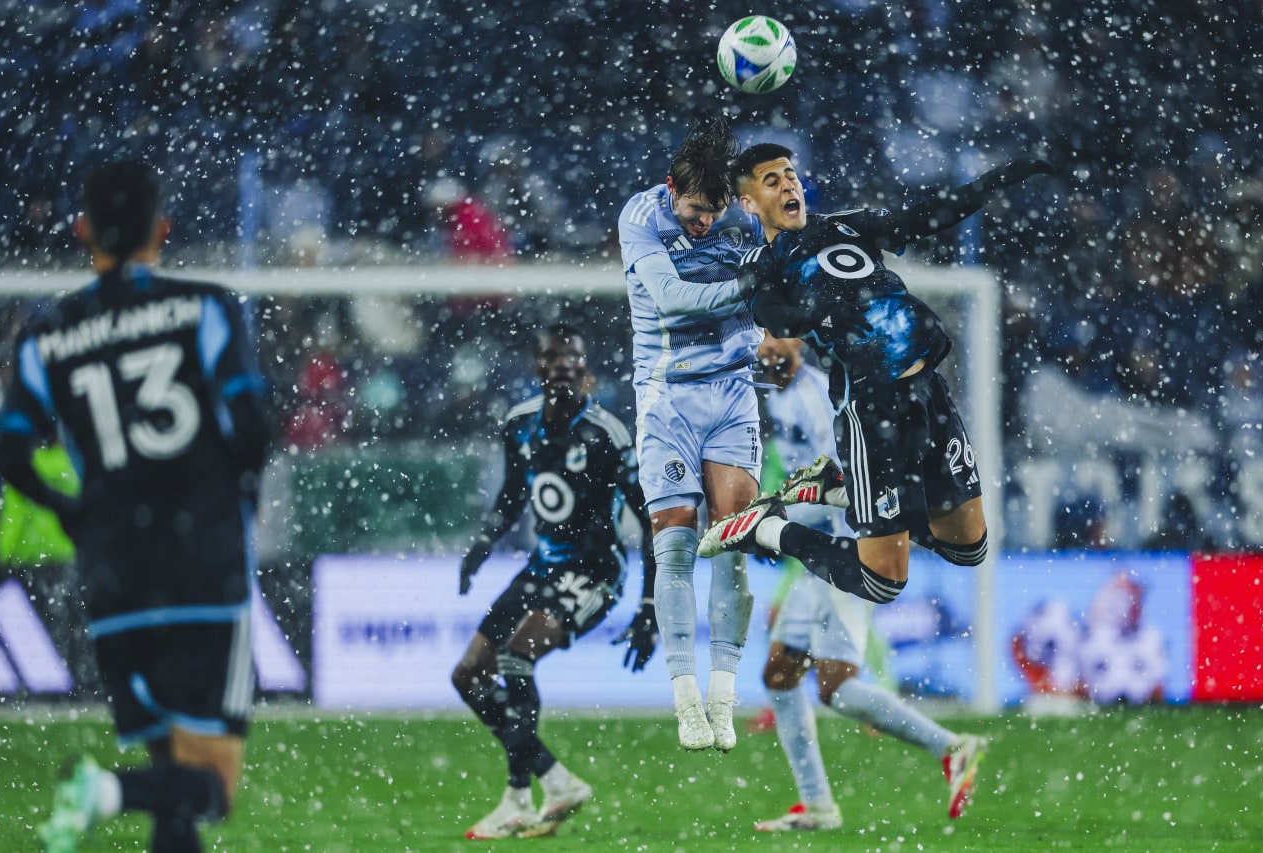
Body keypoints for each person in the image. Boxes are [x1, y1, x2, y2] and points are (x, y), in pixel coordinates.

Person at [0, 159, 270, 853]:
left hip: (115, 572)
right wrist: (236, 497)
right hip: (202, 564)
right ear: (163, 228)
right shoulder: (206, 306)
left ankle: (123, 790)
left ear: (84, 230)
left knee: (172, 787)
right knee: (211, 785)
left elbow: (10, 450)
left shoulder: (46, 336)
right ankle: (105, 790)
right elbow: (251, 424)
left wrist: (71, 510)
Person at [700, 144, 1054, 607]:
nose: (789, 184)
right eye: (771, 181)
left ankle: (840, 493)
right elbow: (776, 317)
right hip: (873, 410)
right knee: (883, 582)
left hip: (929, 390)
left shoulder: (846, 224)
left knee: (970, 548)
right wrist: (822, 316)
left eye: (790, 174)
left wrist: (995, 181)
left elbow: (928, 216)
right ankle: (766, 527)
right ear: (748, 204)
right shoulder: (760, 263)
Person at [749, 334, 988, 831]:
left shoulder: (818, 398)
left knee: (836, 685)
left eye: (772, 335)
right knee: (779, 673)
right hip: (820, 553)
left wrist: (777, 519)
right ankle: (817, 806)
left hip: (849, 552)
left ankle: (951, 746)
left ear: (796, 339)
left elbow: (846, 483)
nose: (763, 347)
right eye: (759, 338)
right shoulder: (780, 394)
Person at [452, 323, 659, 840]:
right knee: (468, 676)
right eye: (554, 358)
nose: (564, 365)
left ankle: (521, 796)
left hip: (594, 574)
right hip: (542, 567)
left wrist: (649, 606)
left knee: (515, 658)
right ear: (538, 367)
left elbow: (651, 522)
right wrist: (483, 544)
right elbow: (511, 495)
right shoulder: (519, 424)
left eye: (574, 359)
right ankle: (552, 782)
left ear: (585, 371)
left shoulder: (607, 435)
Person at [618, 115, 768, 751]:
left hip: (734, 393)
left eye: (712, 212)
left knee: (731, 540)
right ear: (670, 188)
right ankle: (685, 701)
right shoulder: (641, 218)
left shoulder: (745, 215)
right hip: (667, 397)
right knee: (675, 547)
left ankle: (723, 697)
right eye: (692, 210)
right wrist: (753, 284)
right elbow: (674, 299)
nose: (701, 223)